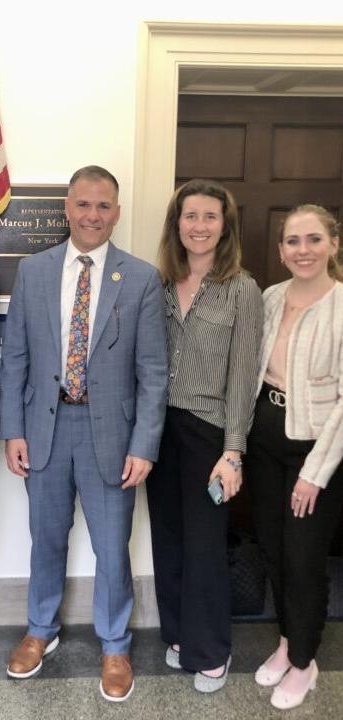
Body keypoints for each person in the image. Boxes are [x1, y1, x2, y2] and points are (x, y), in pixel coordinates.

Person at [0, 165, 167, 702]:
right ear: (67, 209)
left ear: (116, 212)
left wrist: (144, 445)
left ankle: (115, 644)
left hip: (112, 437)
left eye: (104, 206)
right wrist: (12, 431)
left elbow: (153, 372)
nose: (93, 215)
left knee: (112, 549)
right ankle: (39, 630)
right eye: (83, 205)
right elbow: (16, 354)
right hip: (45, 430)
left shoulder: (140, 277)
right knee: (46, 538)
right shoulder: (35, 270)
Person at [147, 179, 263, 692]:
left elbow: (244, 375)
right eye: (189, 216)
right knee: (168, 539)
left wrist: (233, 451)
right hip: (158, 428)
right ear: (177, 224)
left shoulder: (241, 288)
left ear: (225, 226)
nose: (198, 226)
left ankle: (211, 649)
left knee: (205, 545)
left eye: (209, 217)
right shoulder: (157, 283)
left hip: (209, 433)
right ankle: (178, 636)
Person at [245, 204, 343, 710]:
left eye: (312, 240)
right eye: (292, 241)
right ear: (281, 250)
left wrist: (315, 475)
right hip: (265, 438)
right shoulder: (270, 297)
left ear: (331, 243)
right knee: (275, 550)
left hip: (315, 450)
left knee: (304, 560)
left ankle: (305, 661)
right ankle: (286, 643)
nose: (302, 250)